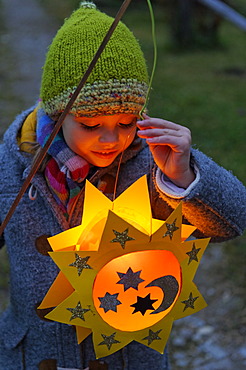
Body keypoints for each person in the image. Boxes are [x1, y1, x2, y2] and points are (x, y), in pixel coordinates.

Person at [0, 2, 245, 370]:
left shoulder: (152, 164)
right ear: (57, 113)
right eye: (90, 124)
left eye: (127, 121)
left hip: (128, 358)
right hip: (32, 353)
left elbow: (232, 221)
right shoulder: (15, 160)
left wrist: (183, 175)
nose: (110, 139)